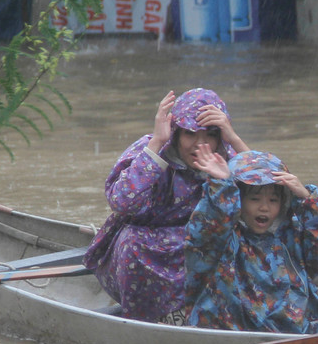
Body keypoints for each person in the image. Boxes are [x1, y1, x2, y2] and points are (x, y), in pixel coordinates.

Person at [82, 87, 249, 323]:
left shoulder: (227, 155)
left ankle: (217, 311)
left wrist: (233, 138)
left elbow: (268, 193)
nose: (200, 145)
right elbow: (122, 203)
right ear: (176, 133)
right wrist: (158, 142)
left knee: (239, 239)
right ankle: (150, 320)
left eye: (210, 135)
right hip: (146, 244)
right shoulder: (149, 147)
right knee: (132, 242)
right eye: (191, 135)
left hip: (198, 244)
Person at [183, 148, 318, 333]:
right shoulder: (223, 240)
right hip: (234, 329)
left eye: (273, 200)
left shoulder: (290, 236)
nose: (264, 207)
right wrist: (222, 187)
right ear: (238, 199)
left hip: (291, 329)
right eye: (254, 199)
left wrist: (309, 200)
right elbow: (207, 229)